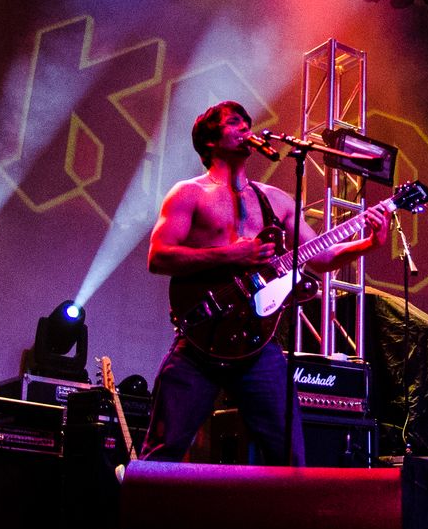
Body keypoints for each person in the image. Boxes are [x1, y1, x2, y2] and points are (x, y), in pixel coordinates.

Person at [140, 100, 388, 466]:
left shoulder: (275, 200)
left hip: (257, 345)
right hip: (200, 339)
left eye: (247, 123)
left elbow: (318, 257)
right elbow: (159, 257)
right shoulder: (188, 193)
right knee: (162, 453)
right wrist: (233, 255)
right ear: (209, 141)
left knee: (289, 457)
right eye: (234, 123)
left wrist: (368, 243)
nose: (246, 129)